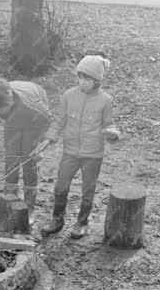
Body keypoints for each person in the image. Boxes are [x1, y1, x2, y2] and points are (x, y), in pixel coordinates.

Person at [39, 55, 121, 239]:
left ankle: (82, 222)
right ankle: (57, 220)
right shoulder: (68, 95)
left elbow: (108, 124)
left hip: (93, 154)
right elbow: (59, 121)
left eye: (88, 79)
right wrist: (49, 138)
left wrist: (112, 134)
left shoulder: (105, 100)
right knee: (61, 187)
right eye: (80, 77)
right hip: (70, 152)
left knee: (88, 189)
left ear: (97, 81)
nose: (83, 82)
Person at [0, 79, 51, 210]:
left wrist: (40, 144)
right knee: (11, 158)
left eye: (2, 108)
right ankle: (10, 202)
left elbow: (46, 120)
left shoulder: (31, 102)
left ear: (10, 96)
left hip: (33, 119)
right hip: (13, 120)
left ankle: (29, 206)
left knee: (29, 159)